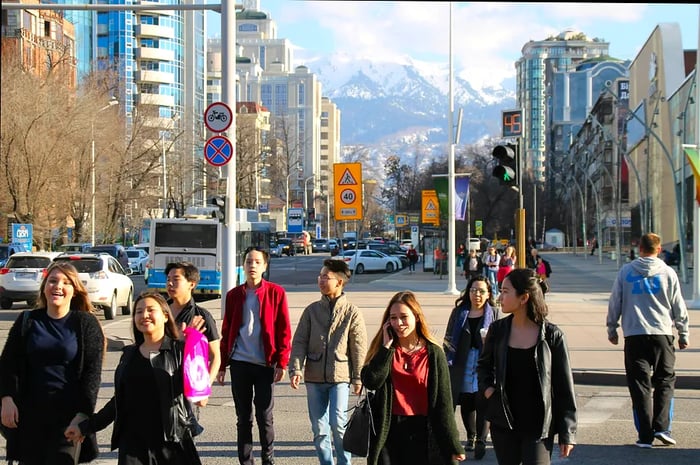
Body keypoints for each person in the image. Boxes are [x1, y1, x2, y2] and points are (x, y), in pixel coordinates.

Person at [65, 292, 204, 465]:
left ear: (165, 316)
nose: (144, 315)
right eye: (138, 311)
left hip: (172, 443)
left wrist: (193, 344)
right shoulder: (129, 355)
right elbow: (119, 401)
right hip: (133, 444)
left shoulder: (180, 350)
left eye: (150, 310)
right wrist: (85, 427)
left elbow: (201, 398)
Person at [0, 261, 105, 465]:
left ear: (74, 291)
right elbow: (8, 364)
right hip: (29, 418)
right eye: (53, 280)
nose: (58, 286)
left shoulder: (85, 323)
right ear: (44, 286)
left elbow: (92, 375)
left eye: (66, 282)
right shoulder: (28, 320)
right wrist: (6, 399)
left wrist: (83, 414)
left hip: (68, 420)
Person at [477, 268, 577, 465]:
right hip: (504, 422)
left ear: (523, 298)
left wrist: (568, 432)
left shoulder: (552, 336)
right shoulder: (498, 330)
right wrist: (488, 390)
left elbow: (564, 387)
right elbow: (483, 366)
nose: (499, 297)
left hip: (538, 427)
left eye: (506, 292)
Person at [361, 291, 466, 465]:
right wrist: (386, 349)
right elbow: (371, 381)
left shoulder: (433, 353)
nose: (398, 323)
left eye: (403, 317)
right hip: (388, 430)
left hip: (422, 431)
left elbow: (444, 404)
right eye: (393, 318)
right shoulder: (385, 350)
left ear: (416, 317)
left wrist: (453, 445)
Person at [606, 232, 690, 448]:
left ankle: (645, 436)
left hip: (635, 335)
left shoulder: (626, 272)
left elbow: (616, 300)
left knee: (639, 385)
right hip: (662, 334)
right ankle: (662, 427)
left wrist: (612, 327)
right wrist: (683, 332)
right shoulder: (668, 272)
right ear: (659, 249)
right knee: (664, 380)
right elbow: (677, 304)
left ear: (639, 248)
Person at [217, 247, 292, 465]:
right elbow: (227, 331)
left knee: (265, 417)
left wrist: (282, 362)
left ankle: (268, 459)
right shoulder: (234, 295)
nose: (252, 266)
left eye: (257, 262)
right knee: (243, 418)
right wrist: (222, 365)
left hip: (265, 364)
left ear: (265, 266)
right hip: (240, 363)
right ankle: (246, 461)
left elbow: (284, 330)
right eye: (249, 262)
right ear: (244, 265)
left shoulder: (276, 293)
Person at [289, 259, 368, 465]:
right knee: (319, 428)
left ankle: (344, 462)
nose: (321, 280)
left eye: (326, 277)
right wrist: (295, 369)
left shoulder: (352, 312)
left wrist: (358, 377)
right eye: (320, 276)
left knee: (338, 423)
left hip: (340, 376)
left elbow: (358, 347)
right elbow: (299, 342)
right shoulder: (311, 310)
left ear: (340, 282)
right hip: (314, 377)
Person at [444, 276, 499, 460]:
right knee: (467, 400)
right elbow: (449, 337)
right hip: (462, 361)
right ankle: (471, 436)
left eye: (481, 291)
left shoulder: (494, 313)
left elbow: (500, 340)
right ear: (468, 292)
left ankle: (482, 440)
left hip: (485, 362)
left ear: (488, 294)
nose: (477, 294)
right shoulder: (459, 312)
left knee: (482, 398)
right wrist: (446, 359)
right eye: (473, 290)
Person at [165, 261, 221, 385]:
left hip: (186, 385)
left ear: (191, 284)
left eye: (176, 279)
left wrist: (205, 386)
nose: (170, 283)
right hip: (158, 379)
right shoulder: (159, 311)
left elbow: (215, 356)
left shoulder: (201, 317)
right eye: (168, 279)